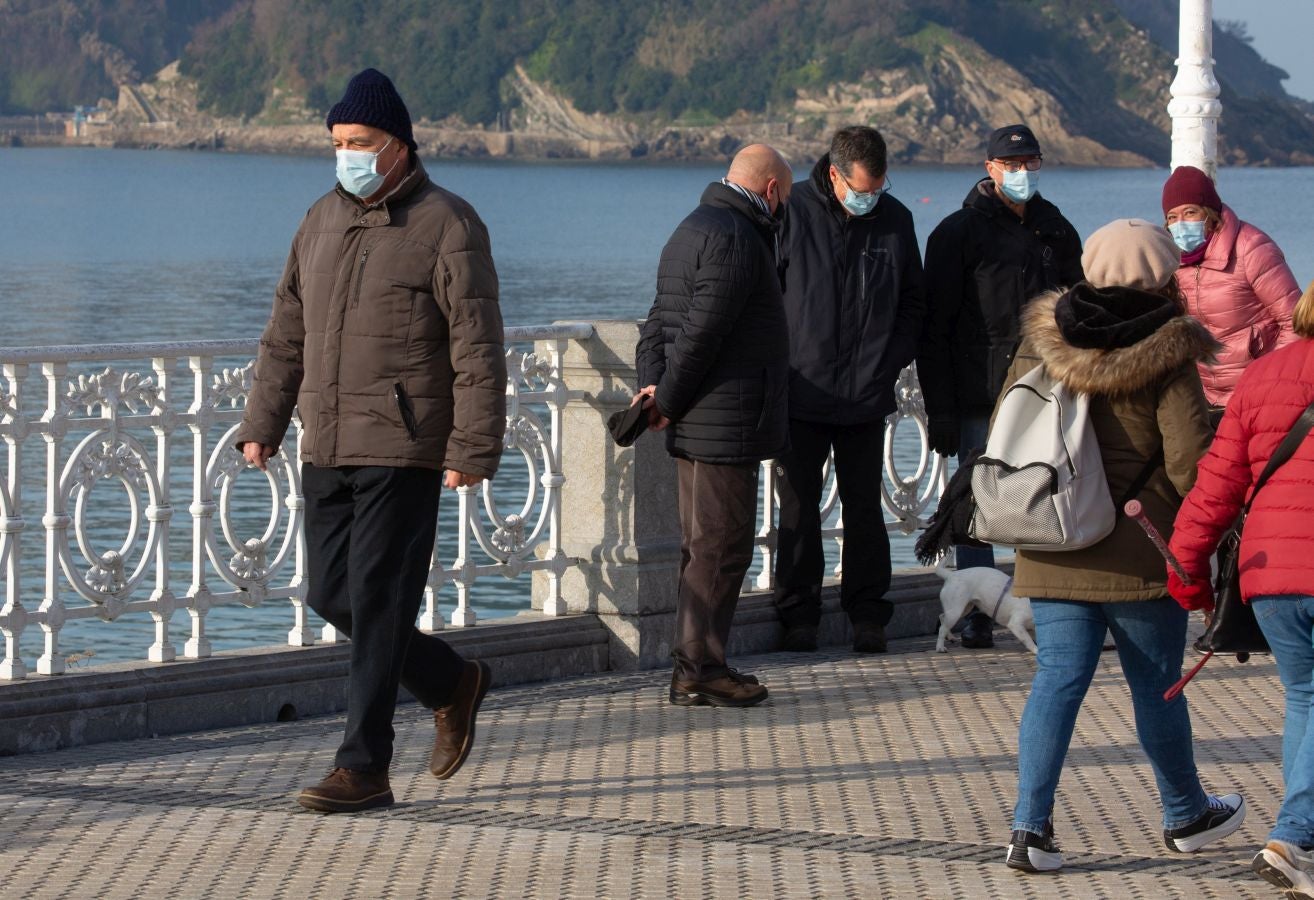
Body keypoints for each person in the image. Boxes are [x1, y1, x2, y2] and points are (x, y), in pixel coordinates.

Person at [235, 68, 507, 812]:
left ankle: (363, 767)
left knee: (380, 599)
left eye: (359, 142)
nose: (346, 155)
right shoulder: (319, 220)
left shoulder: (448, 224)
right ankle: (450, 681)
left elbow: (478, 348)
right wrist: (263, 422)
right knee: (333, 592)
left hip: (405, 444)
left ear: (397, 146)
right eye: (337, 143)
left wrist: (471, 447)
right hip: (326, 440)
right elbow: (286, 333)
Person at [1002, 219, 1244, 873]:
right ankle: (1186, 812)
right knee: (1156, 685)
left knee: (1056, 680)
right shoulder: (1168, 345)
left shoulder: (1041, 338)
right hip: (1139, 550)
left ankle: (1029, 831)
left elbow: (1011, 426)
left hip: (1049, 537)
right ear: (1160, 276)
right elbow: (1193, 463)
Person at [1167, 279, 1314, 896]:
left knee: (1305, 696)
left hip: (1273, 575)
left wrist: (1187, 569)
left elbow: (1217, 485)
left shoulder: (1262, 376)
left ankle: (1300, 834)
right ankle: (1295, 836)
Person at [634, 143, 792, 708]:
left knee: (700, 547)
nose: (784, 211)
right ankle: (701, 667)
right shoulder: (737, 237)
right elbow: (703, 333)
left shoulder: (691, 227)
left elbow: (657, 321)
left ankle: (694, 664)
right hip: (726, 420)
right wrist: (667, 400)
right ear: (771, 190)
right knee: (721, 548)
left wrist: (652, 389)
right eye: (785, 199)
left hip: (697, 418)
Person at [916, 123, 1084, 649]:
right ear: (989, 168)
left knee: (1048, 493)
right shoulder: (957, 233)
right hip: (976, 393)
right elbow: (933, 326)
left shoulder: (1057, 231)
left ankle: (1051, 607)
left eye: (1030, 162)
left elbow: (1077, 310)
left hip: (1047, 389)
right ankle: (976, 614)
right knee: (976, 503)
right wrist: (939, 407)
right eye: (1011, 164)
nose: (1021, 173)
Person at [771, 125, 926, 654]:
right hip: (800, 392)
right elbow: (767, 295)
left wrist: (889, 360)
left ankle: (868, 615)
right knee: (797, 508)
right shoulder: (790, 211)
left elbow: (912, 303)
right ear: (834, 175)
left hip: (866, 393)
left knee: (865, 508)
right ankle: (798, 615)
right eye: (862, 190)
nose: (871, 199)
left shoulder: (896, 220)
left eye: (878, 188)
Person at [1161, 165, 1301, 422]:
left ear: (1210, 214)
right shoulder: (1170, 260)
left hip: (1258, 397)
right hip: (1203, 397)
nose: (1181, 224)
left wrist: (1270, 382)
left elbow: (1295, 321)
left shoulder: (1252, 249)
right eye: (1172, 217)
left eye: (1190, 212)